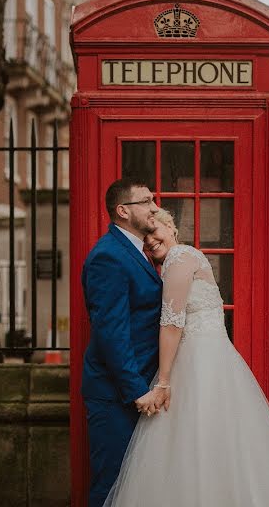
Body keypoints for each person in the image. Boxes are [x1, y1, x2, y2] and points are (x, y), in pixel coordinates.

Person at [103, 209, 269, 506]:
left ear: (171, 227)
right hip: (211, 362)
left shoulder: (180, 257)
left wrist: (162, 381)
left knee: (191, 447)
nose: (150, 241)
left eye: (155, 231)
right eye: (145, 237)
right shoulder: (177, 262)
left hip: (197, 365)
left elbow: (172, 322)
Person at [81, 178, 169, 507]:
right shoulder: (109, 257)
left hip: (142, 386)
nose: (154, 207)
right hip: (117, 394)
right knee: (112, 485)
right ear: (122, 210)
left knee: (138, 487)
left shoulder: (136, 252)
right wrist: (137, 391)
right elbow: (111, 333)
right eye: (145, 201)